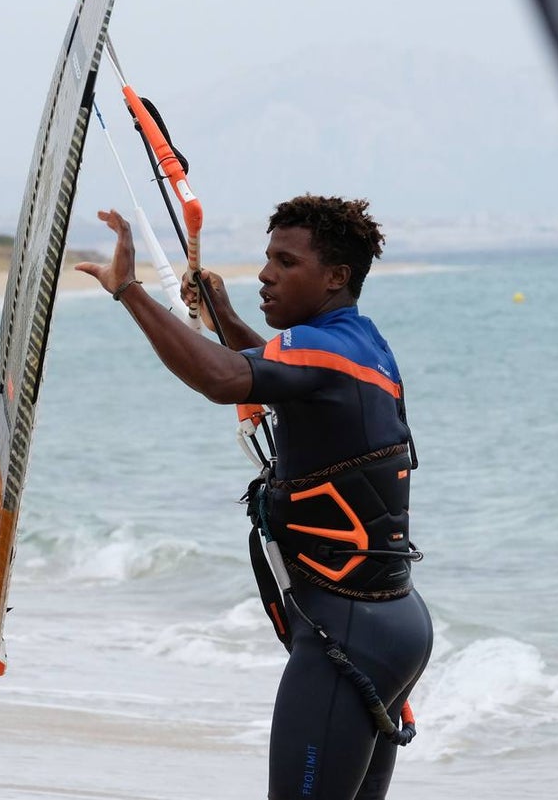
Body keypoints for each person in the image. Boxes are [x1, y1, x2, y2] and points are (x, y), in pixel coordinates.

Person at [76, 196, 433, 800]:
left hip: (346, 632)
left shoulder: (329, 350)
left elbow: (223, 378)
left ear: (336, 276)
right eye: (268, 258)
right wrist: (222, 317)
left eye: (285, 262)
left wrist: (129, 292)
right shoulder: (360, 343)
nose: (266, 273)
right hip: (391, 624)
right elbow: (277, 371)